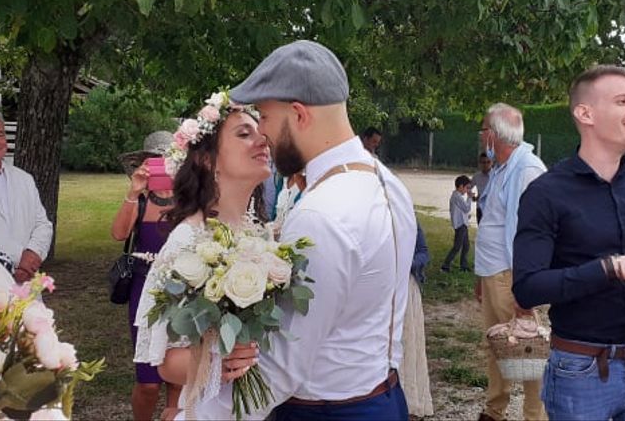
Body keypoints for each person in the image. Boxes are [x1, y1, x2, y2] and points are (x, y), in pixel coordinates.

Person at [171, 40, 417, 421]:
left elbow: (281, 367)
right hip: (383, 395)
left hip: (327, 411)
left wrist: (197, 417)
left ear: (299, 114)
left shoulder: (321, 213)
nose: (262, 134)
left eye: (266, 118)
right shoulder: (388, 183)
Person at [133, 95, 271, 418]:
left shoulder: (261, 233)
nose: (261, 139)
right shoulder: (188, 239)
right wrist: (218, 361)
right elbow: (166, 362)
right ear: (208, 160)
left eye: (259, 130)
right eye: (243, 134)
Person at [512, 65, 625, 420]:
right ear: (585, 113)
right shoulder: (546, 193)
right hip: (581, 369)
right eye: (623, 101)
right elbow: (528, 288)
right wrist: (610, 268)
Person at [474, 103, 547, 421]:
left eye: (483, 130)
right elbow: (493, 222)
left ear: (493, 135)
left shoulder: (527, 169)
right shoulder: (503, 168)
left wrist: (524, 291)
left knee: (528, 350)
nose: (481, 136)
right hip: (494, 273)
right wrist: (480, 276)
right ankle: (495, 410)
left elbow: (530, 235)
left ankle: (536, 415)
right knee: (498, 346)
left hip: (512, 276)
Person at [111, 131, 181, 421]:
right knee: (148, 381)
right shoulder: (139, 199)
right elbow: (118, 234)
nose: (161, 165)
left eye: (167, 159)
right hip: (144, 290)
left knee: (178, 375)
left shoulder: (188, 196)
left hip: (181, 289)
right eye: (155, 160)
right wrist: (133, 191)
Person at [0, 110, 52, 283]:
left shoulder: (24, 179)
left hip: (26, 285)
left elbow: (43, 224)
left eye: (0, 134)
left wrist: (33, 254)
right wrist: (20, 259)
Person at [400, 220, 433, 417]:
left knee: (407, 344)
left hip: (405, 289)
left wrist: (406, 264)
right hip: (376, 291)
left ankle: (409, 401)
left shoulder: (408, 217)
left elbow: (423, 252)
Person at [441, 175, 472, 273]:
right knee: (457, 247)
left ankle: (463, 265)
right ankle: (445, 265)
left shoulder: (457, 196)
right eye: (467, 188)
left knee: (466, 246)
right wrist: (470, 198)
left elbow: (461, 211)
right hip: (460, 225)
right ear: (461, 186)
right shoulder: (457, 196)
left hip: (463, 224)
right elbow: (466, 208)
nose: (467, 190)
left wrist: (467, 217)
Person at [472, 152, 492, 224]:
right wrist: (473, 197)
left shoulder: (496, 176)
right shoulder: (476, 176)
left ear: (492, 162)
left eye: (488, 162)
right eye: (483, 162)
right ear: (480, 163)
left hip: (493, 209)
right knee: (481, 231)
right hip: (480, 208)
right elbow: (468, 188)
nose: (486, 165)